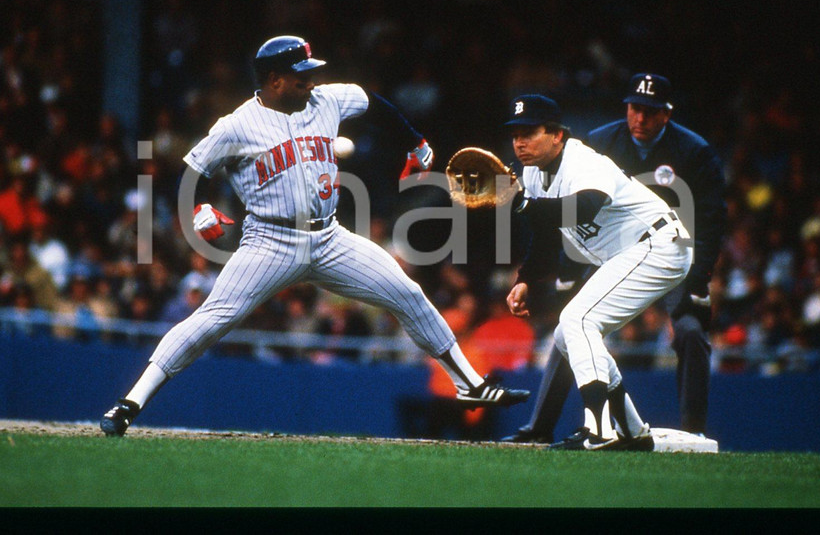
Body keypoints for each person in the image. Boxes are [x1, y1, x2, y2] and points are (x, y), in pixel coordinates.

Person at [100, 35, 529, 436]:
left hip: (329, 238)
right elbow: (195, 171)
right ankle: (130, 402)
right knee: (213, 320)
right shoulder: (237, 125)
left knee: (407, 292)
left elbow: (373, 103)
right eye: (301, 73)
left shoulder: (325, 99)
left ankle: (470, 384)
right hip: (270, 242)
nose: (311, 80)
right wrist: (199, 209)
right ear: (273, 80)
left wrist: (414, 143)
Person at [503, 75, 726, 442]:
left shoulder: (583, 161)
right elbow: (545, 233)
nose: (520, 141)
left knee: (578, 318)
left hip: (660, 244)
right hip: (630, 252)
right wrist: (526, 278)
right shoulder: (532, 174)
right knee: (567, 332)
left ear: (558, 134)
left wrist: (526, 205)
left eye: (530, 131)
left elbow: (585, 209)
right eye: (515, 134)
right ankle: (633, 431)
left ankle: (600, 428)